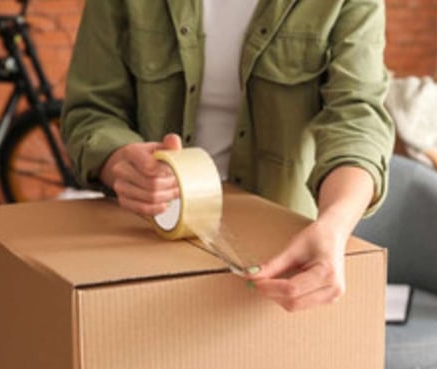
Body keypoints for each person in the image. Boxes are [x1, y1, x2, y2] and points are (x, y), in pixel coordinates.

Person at [60, 0, 394, 312]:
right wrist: (119, 162)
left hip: (280, 250)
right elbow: (92, 109)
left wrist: (333, 226)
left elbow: (357, 117)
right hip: (150, 236)